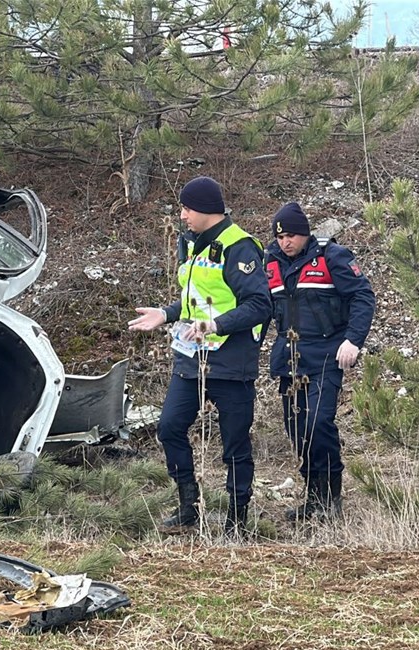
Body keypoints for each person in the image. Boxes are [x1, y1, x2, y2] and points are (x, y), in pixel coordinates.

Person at [128, 176, 270, 535]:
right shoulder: (191, 243)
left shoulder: (240, 247)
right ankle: (188, 508)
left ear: (206, 210)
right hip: (192, 357)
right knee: (169, 427)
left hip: (231, 361)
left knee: (234, 443)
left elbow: (259, 305)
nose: (182, 215)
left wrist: (215, 324)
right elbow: (195, 296)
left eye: (186, 208)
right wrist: (166, 313)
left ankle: (237, 522)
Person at [263, 202, 375, 522]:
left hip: (326, 354)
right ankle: (313, 498)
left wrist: (353, 340)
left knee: (318, 423)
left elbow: (362, 297)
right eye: (281, 236)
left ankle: (331, 498)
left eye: (293, 235)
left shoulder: (331, 257)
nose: (286, 242)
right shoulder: (271, 262)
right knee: (298, 430)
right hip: (290, 358)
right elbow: (261, 307)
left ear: (306, 233)